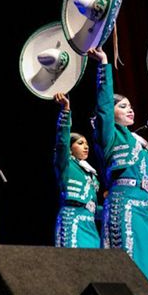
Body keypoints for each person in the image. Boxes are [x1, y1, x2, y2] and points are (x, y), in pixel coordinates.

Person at [90, 46, 148, 295]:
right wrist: (103, 65)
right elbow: (102, 107)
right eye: (123, 106)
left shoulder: (140, 146)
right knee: (130, 263)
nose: (130, 109)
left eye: (130, 106)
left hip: (145, 209)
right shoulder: (109, 137)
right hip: (124, 206)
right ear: (112, 114)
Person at [53, 93, 101, 248]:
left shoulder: (90, 172)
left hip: (90, 225)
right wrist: (66, 111)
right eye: (80, 143)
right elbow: (62, 142)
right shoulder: (66, 164)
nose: (86, 147)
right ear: (70, 148)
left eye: (86, 143)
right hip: (72, 220)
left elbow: (93, 205)